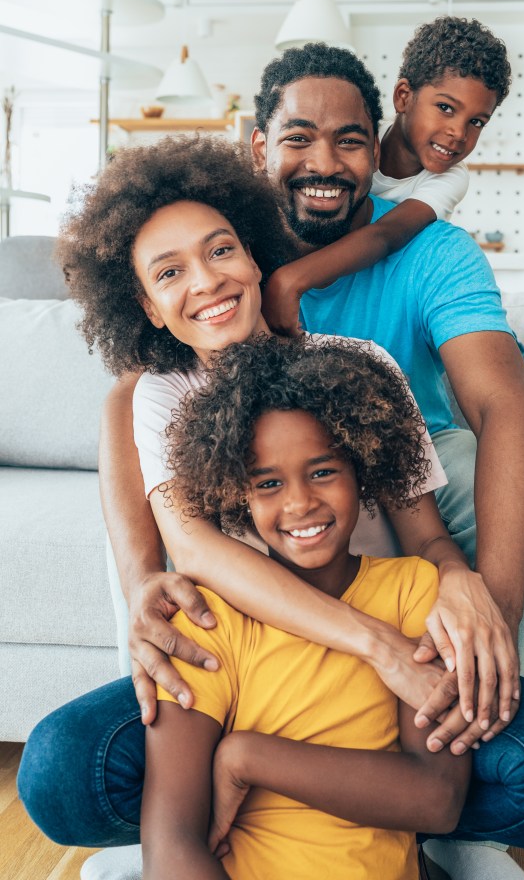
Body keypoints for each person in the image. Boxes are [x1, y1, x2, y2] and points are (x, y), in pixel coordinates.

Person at [17, 135, 524, 880]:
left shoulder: (362, 365)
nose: (206, 282)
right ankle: (209, 825)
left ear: (254, 252)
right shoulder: (156, 398)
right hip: (255, 674)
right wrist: (381, 649)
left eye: (221, 252)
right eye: (170, 272)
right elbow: (202, 552)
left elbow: (425, 533)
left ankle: (400, 826)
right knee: (56, 772)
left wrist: (461, 582)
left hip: (388, 677)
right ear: (144, 303)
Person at [142, 334, 472, 880]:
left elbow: (437, 799)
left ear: (362, 471)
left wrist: (244, 757)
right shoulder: (206, 621)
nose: (299, 503)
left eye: (323, 471)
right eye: (267, 483)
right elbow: (170, 840)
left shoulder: (414, 592)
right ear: (233, 495)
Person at [260, 17, 524, 460]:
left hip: (412, 281)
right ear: (403, 97)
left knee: (513, 363)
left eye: (476, 121)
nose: (458, 133)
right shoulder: (357, 140)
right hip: (367, 292)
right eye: (445, 108)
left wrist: (292, 280)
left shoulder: (447, 180)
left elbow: (386, 234)